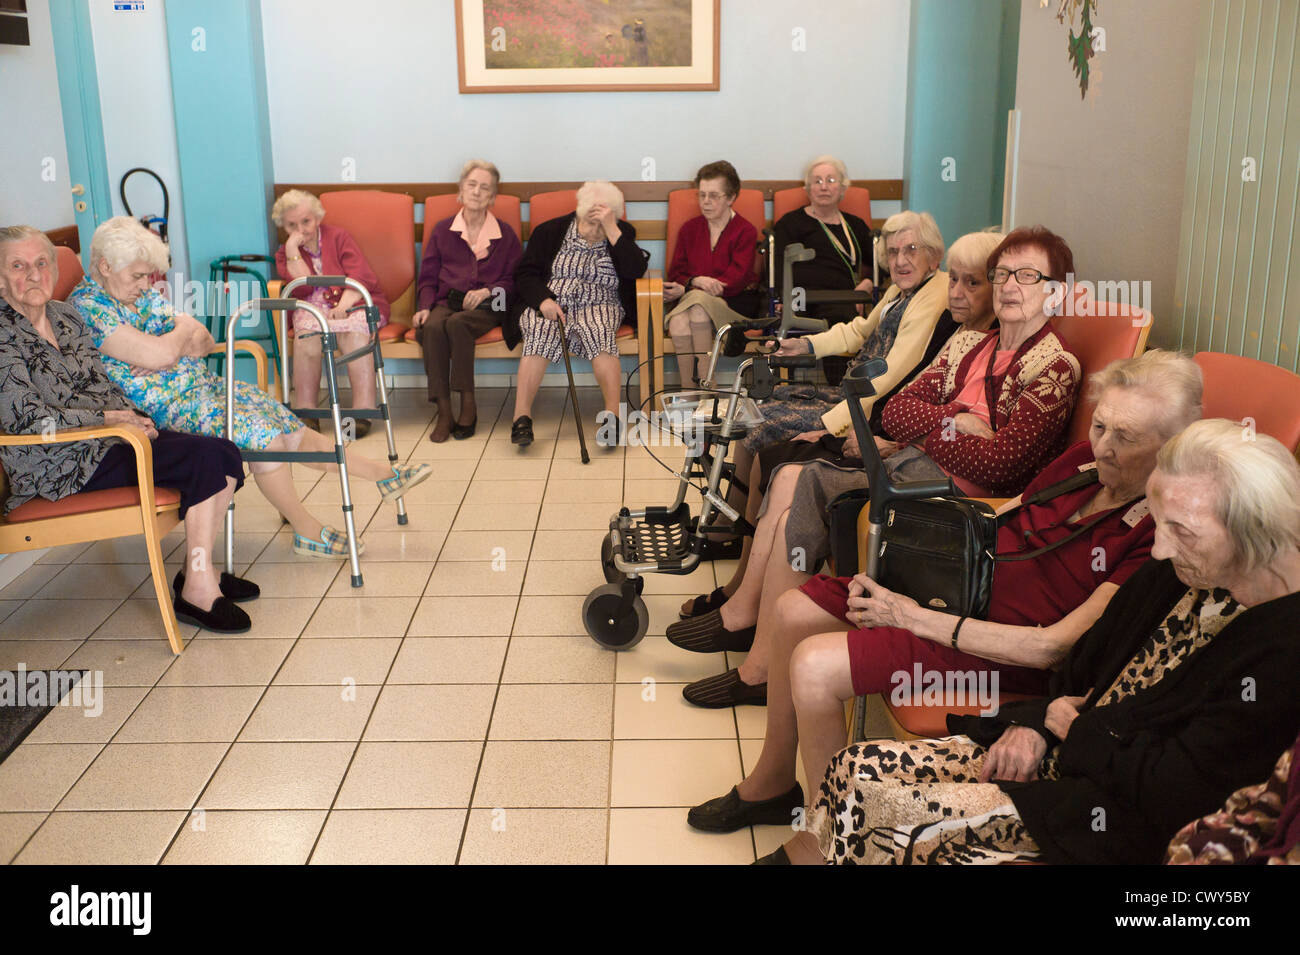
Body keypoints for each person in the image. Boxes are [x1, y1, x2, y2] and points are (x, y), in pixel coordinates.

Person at [685, 350, 1201, 849]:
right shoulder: (1085, 460)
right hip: (959, 594)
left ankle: (830, 839)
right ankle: (775, 783)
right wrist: (910, 571)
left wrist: (910, 617)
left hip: (1000, 652)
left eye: (1125, 437)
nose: (1103, 445)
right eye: (1100, 425)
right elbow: (1002, 517)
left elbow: (1055, 649)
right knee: (791, 610)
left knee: (815, 669)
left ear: (1172, 446)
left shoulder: (1157, 532)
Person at [800, 419, 1300, 865]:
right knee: (852, 766)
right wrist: (1038, 724)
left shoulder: (1280, 651)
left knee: (876, 808)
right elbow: (1083, 665)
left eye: (1181, 531)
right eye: (1160, 523)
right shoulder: (1183, 571)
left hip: (1108, 812)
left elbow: (1179, 791)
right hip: (1070, 749)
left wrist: (1075, 731)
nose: (1161, 546)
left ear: (1254, 531)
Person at [669, 227, 1082, 696]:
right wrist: (956, 420)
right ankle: (754, 634)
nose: (1009, 286)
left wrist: (928, 435)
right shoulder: (971, 342)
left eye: (1027, 276)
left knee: (798, 490)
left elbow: (1001, 465)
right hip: (916, 468)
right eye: (1003, 273)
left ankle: (758, 657)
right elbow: (900, 409)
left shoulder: (1055, 366)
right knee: (791, 483)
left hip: (960, 502)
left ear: (1057, 291)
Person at [680, 226, 999, 623]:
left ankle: (745, 582)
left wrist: (830, 426)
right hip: (867, 409)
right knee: (752, 420)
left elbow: (889, 378)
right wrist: (808, 346)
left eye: (912, 250)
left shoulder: (936, 304)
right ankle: (738, 547)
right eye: (893, 250)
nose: (900, 260)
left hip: (865, 413)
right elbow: (860, 335)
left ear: (935, 257)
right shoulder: (907, 297)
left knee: (766, 440)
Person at [69, 217, 430, 560]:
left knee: (285, 423)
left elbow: (205, 339)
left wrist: (170, 343)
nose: (146, 284)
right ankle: (306, 528)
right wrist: (173, 341)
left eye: (148, 276)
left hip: (202, 388)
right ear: (104, 267)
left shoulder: (136, 294)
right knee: (267, 439)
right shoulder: (89, 308)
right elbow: (166, 353)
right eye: (137, 276)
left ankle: (383, 475)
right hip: (166, 410)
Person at [0, 225, 254, 633]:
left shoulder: (65, 316)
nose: (33, 274)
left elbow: (98, 383)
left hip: (108, 442)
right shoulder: (3, 336)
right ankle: (198, 593)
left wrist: (132, 415)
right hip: (58, 464)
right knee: (204, 459)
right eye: (18, 265)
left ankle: (197, 573)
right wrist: (107, 420)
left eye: (41, 263)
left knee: (225, 452)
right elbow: (26, 420)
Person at [507, 181, 649, 448]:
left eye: (602, 222)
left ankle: (612, 418)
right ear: (579, 212)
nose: (595, 231)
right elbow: (525, 274)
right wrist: (543, 301)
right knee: (538, 331)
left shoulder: (621, 233)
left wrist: (612, 229)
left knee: (600, 333)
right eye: (590, 221)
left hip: (601, 303)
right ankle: (521, 418)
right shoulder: (549, 231)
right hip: (552, 302)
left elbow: (635, 269)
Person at [412, 160, 522, 442]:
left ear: (493, 196)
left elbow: (514, 280)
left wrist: (488, 291)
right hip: (446, 301)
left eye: (485, 188)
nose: (477, 191)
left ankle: (468, 403)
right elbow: (427, 277)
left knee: (458, 324)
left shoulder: (505, 234)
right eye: (471, 185)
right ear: (461, 190)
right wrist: (424, 307)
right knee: (432, 328)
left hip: (491, 305)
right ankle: (444, 410)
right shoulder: (442, 230)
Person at [273, 189, 387, 435]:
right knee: (307, 340)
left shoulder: (338, 237)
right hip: (311, 306)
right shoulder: (285, 253)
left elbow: (361, 276)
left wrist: (343, 306)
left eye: (306, 221)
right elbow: (302, 288)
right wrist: (293, 250)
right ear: (283, 227)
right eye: (292, 225)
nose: (301, 229)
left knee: (355, 336)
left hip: (353, 299)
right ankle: (307, 412)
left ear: (317, 217)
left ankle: (362, 412)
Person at [771, 155, 875, 384]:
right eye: (817, 181)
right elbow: (778, 266)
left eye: (830, 180)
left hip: (843, 300)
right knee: (830, 321)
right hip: (800, 299)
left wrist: (868, 285)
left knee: (840, 321)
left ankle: (842, 395)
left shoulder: (854, 225)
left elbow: (881, 264)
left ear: (842, 188)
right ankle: (791, 395)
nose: (824, 186)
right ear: (808, 189)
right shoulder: (790, 223)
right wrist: (781, 297)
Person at [662, 160, 760, 388]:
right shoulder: (689, 229)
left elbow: (735, 280)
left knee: (695, 308)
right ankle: (698, 391)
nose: (705, 202)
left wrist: (689, 286)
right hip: (695, 304)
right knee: (681, 319)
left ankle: (700, 390)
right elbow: (676, 272)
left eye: (714, 196)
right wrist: (697, 281)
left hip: (734, 305)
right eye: (702, 195)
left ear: (731, 197)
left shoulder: (745, 231)